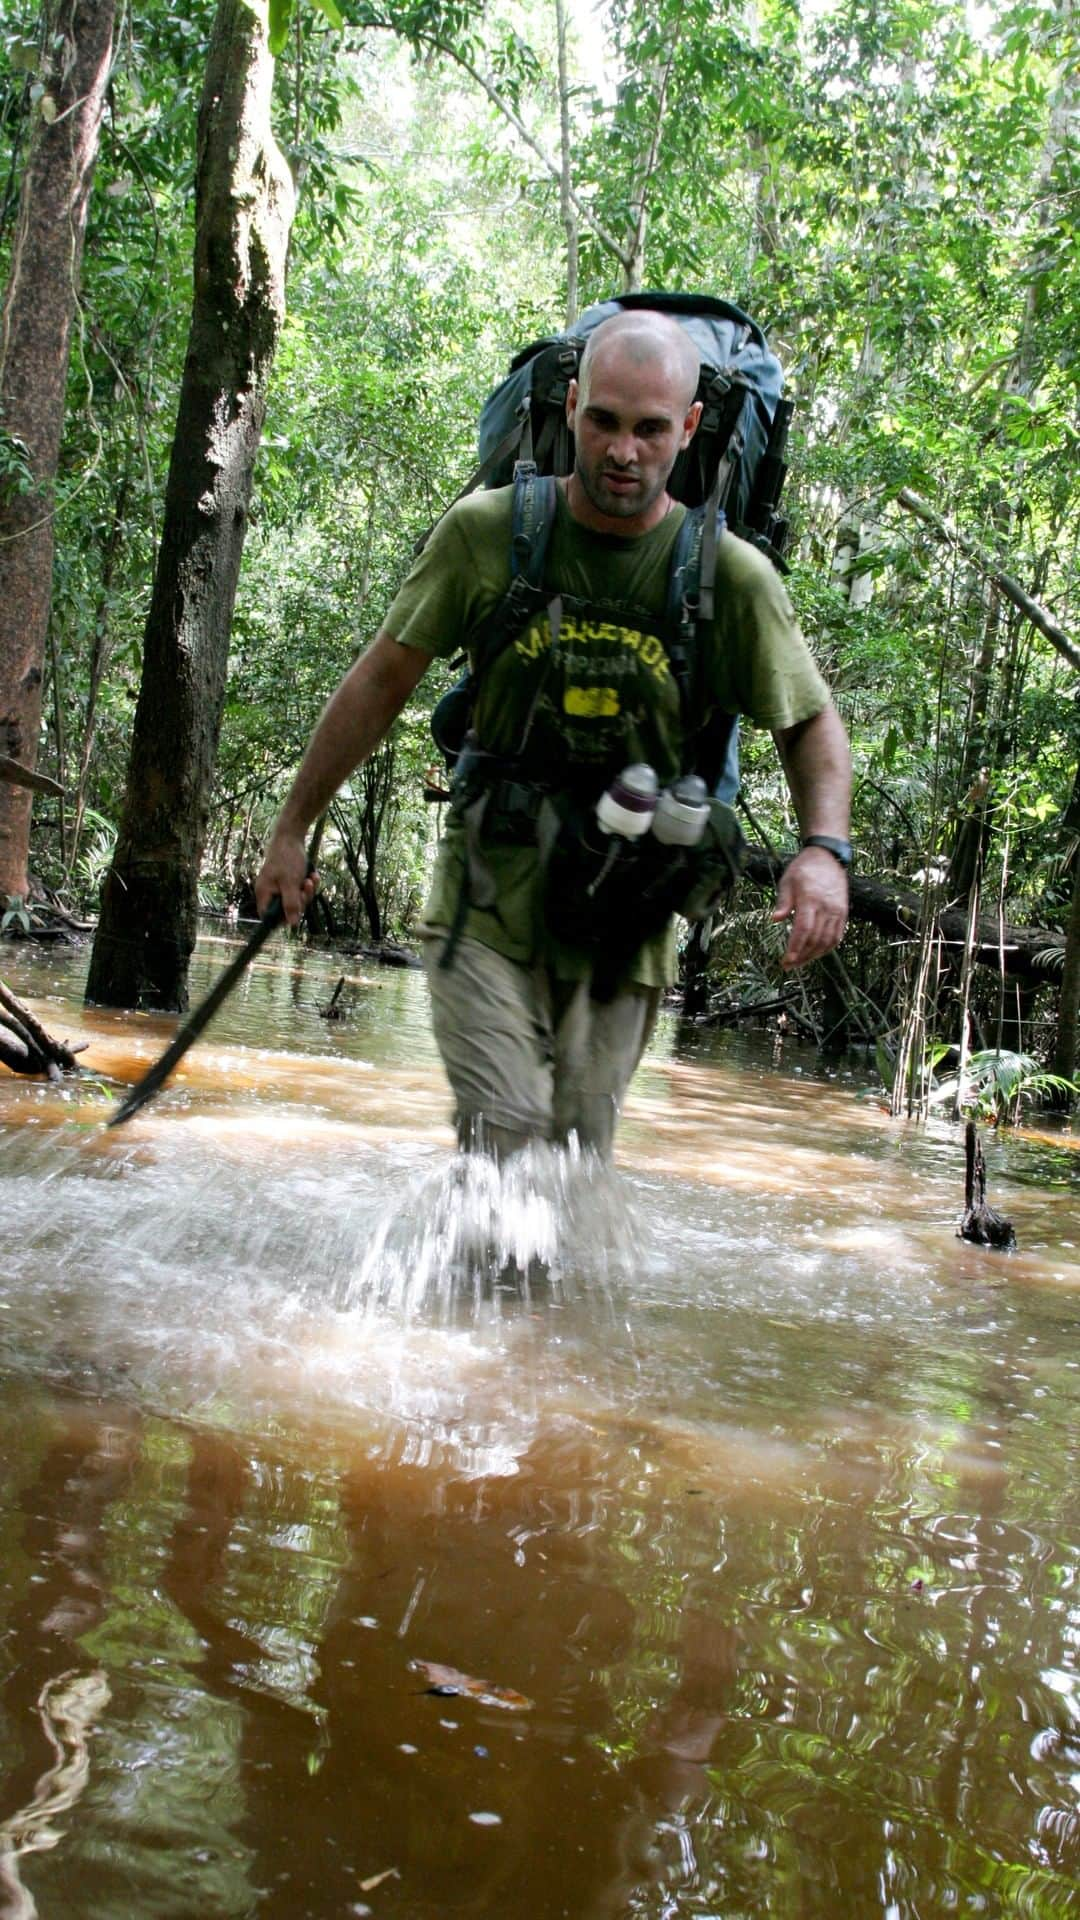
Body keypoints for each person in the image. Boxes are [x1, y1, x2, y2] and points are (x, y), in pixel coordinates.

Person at [256, 311, 851, 1159]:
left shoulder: (732, 578)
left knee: (573, 1158)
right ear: (571, 407)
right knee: (505, 1128)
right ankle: (458, 1284)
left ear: (687, 430)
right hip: (485, 897)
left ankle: (493, 1289)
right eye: (603, 421)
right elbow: (379, 684)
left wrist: (823, 850)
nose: (622, 451)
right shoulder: (488, 534)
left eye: (650, 429)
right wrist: (289, 832)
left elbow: (809, 723)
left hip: (627, 918)